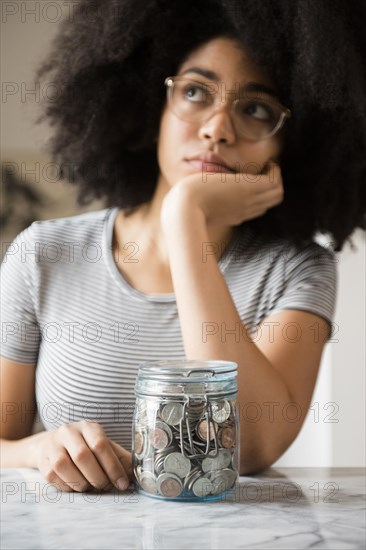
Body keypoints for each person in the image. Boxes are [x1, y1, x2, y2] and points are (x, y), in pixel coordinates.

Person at [1, 0, 365, 493]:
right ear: (152, 106)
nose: (217, 128)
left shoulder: (296, 269)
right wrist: (40, 449)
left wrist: (186, 219)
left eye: (256, 109)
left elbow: (249, 445)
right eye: (195, 91)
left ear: (291, 145)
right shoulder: (44, 253)